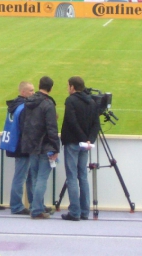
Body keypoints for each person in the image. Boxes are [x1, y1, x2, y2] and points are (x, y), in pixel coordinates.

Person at [60, 76, 100, 221]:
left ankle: (75, 212)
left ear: (72, 87)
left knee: (72, 177)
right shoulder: (92, 101)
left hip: (73, 142)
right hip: (85, 144)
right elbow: (96, 124)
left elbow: (72, 121)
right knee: (82, 176)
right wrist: (89, 139)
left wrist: (83, 138)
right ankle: (84, 211)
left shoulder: (71, 101)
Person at [20, 76, 60, 219]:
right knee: (41, 178)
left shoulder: (28, 102)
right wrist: (56, 147)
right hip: (45, 146)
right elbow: (51, 128)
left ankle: (36, 206)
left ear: (39, 85)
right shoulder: (48, 104)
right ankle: (37, 209)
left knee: (35, 178)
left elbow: (24, 122)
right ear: (51, 88)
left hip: (32, 145)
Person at [0, 80, 35, 215]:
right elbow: (26, 129)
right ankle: (17, 206)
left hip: (15, 144)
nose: (33, 93)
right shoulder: (24, 108)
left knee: (28, 176)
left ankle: (34, 203)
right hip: (23, 147)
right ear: (23, 92)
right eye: (31, 90)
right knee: (21, 177)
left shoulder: (14, 106)